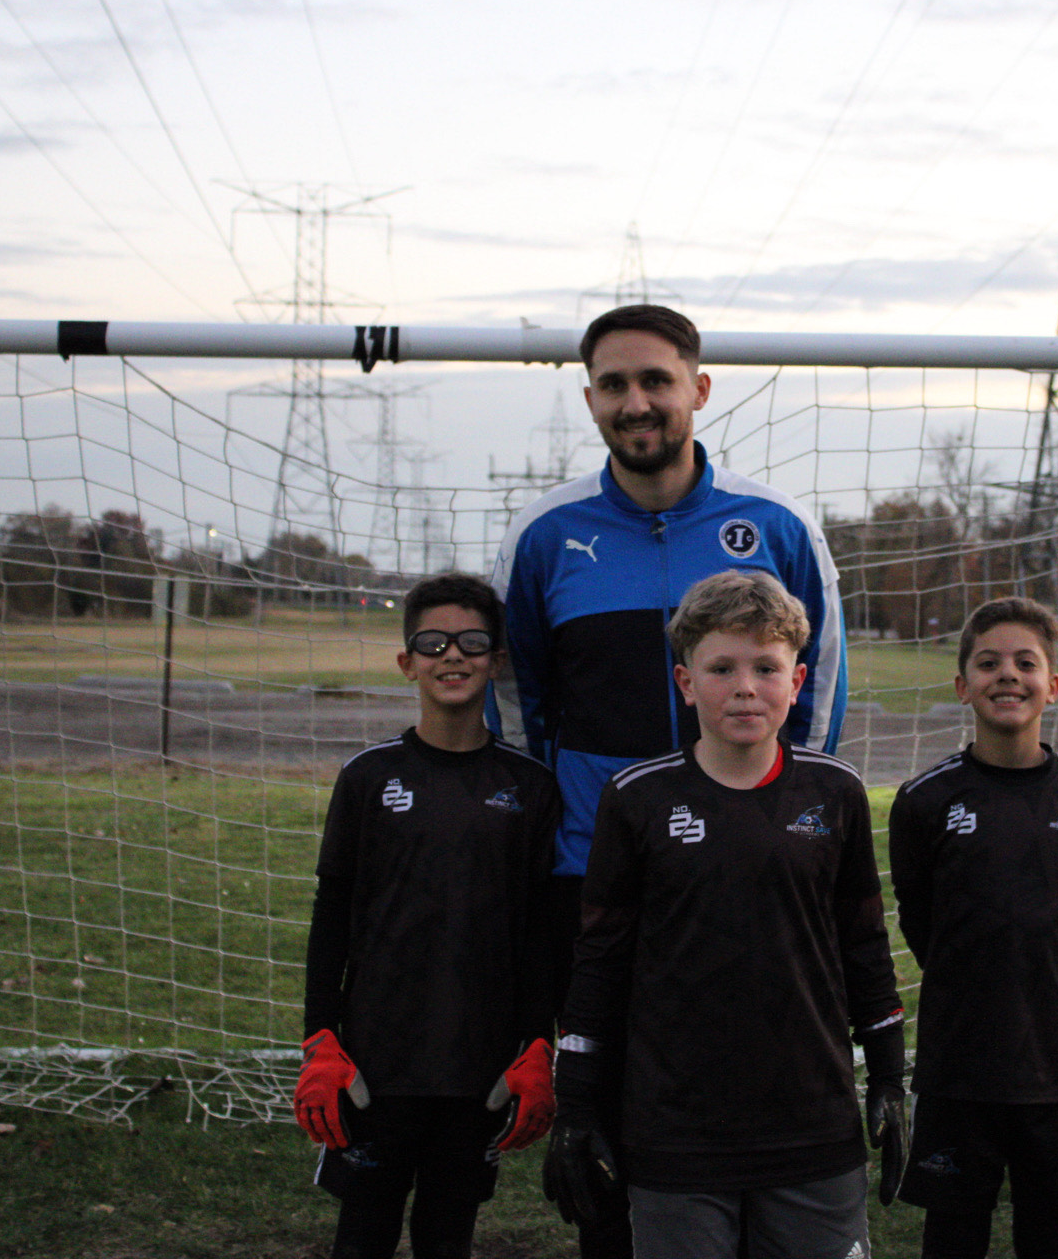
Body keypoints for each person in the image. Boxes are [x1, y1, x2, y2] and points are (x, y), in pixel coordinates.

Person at [490, 304, 848, 1257]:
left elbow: (817, 705)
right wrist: (552, 830)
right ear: (590, 399)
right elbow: (522, 706)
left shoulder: (774, 524)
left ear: (697, 388)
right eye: (614, 384)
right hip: (590, 870)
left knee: (749, 1077)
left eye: (655, 380)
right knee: (604, 1110)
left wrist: (781, 828)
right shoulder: (545, 533)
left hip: (747, 865)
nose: (636, 402)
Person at [544, 570, 904, 1259]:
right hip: (677, 1132)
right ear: (685, 682)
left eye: (767, 666)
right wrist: (579, 1107)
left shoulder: (835, 792)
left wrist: (888, 1076)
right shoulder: (636, 798)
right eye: (722, 667)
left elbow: (864, 944)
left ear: (797, 682)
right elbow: (599, 962)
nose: (745, 686)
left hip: (813, 1125)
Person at [294, 573, 562, 1259]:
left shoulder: (528, 787)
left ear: (496, 659)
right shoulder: (368, 778)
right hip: (374, 1065)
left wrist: (537, 1043)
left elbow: (540, 933)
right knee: (363, 1233)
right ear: (406, 661)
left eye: (473, 641)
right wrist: (320, 1037)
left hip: (479, 1067)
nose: (453, 655)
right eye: (433, 642)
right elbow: (332, 918)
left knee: (449, 1234)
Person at [887, 597, 1058, 1259]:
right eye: (988, 663)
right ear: (963, 686)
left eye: (1026, 663)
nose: (1007, 676)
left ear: (1052, 684)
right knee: (953, 1234)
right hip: (960, 1065)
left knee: (1051, 1236)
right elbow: (920, 918)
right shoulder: (925, 802)